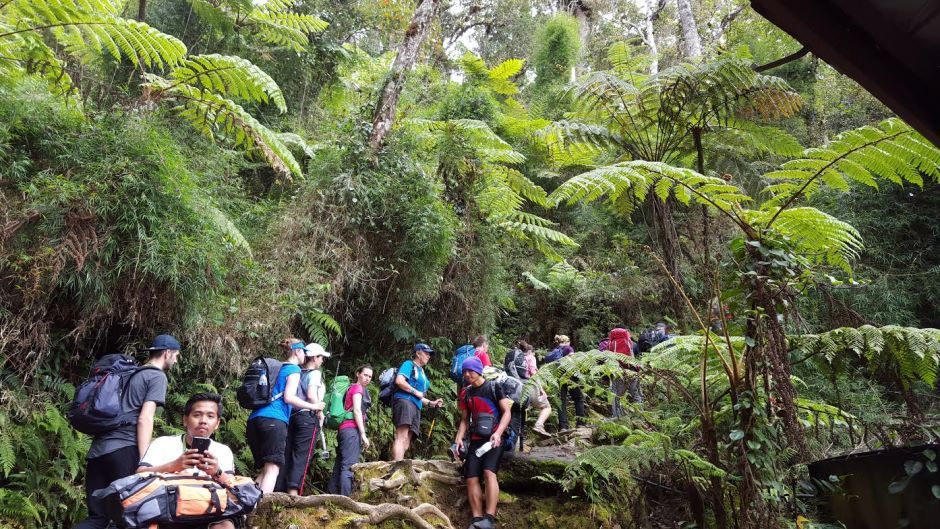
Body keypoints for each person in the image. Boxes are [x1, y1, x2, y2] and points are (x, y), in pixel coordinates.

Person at [76, 334, 180, 529]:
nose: (176, 360)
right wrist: (145, 460)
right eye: (176, 356)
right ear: (167, 353)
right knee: (130, 516)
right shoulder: (157, 376)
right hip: (124, 450)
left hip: (98, 451)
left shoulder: (129, 374)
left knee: (97, 518)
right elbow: (145, 418)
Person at [136, 392, 236, 529]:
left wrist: (217, 472)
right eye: (197, 415)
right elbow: (140, 474)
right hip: (166, 511)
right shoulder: (162, 443)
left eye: (210, 416)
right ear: (185, 420)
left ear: (217, 423)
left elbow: (234, 488)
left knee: (225, 526)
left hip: (208, 512)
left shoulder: (223, 451)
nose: (203, 420)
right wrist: (174, 465)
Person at [245, 338, 325, 493]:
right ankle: (263, 506)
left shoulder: (276, 368)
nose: (305, 356)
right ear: (297, 351)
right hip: (274, 420)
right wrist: (314, 406)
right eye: (303, 352)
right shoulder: (294, 370)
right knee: (273, 469)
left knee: (266, 470)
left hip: (255, 418)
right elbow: (289, 398)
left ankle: (247, 503)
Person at [454, 357, 514, 529]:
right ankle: (476, 519)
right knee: (471, 477)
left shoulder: (494, 387)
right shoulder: (466, 393)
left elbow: (507, 412)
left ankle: (489, 518)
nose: (467, 374)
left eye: (470, 371)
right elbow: (464, 419)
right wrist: (459, 438)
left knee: (488, 472)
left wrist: (498, 433)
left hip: (494, 439)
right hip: (476, 439)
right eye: (464, 372)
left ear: (479, 370)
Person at [277, 343, 330, 495]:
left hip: (292, 416)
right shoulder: (315, 374)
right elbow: (312, 394)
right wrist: (319, 410)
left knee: (288, 453)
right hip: (307, 416)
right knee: (302, 455)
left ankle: (279, 490)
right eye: (321, 357)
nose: (322, 360)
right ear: (314, 358)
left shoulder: (298, 371)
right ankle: (293, 493)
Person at [391, 343, 444, 461]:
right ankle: (397, 467)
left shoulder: (422, 372)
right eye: (426, 353)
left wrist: (431, 403)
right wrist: (415, 392)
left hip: (416, 406)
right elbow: (399, 381)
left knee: (407, 441)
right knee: (401, 436)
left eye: (429, 354)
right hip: (404, 401)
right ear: (418, 353)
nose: (428, 356)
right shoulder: (409, 364)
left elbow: (420, 396)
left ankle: (399, 464)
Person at [328, 365, 373, 496]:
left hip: (343, 430)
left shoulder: (350, 388)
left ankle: (331, 496)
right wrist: (363, 434)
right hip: (351, 430)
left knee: (340, 464)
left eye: (370, 377)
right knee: (349, 467)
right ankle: (346, 500)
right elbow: (357, 410)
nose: (367, 378)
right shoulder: (358, 388)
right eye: (365, 375)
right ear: (357, 374)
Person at [549, 335, 585, 430]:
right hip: (569, 376)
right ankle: (581, 423)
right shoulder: (568, 348)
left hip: (558, 377)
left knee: (561, 402)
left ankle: (563, 426)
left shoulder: (555, 350)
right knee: (578, 397)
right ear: (567, 341)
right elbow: (573, 361)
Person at [608, 326, 643, 418]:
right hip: (632, 371)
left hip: (617, 372)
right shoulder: (630, 343)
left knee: (616, 395)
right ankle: (640, 415)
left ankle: (616, 416)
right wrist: (638, 369)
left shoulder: (610, 344)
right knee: (635, 393)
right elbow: (633, 356)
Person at [521, 342, 552, 437]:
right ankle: (538, 425)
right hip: (530, 386)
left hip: (516, 386)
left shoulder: (517, 358)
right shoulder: (531, 358)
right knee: (546, 407)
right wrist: (542, 390)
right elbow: (533, 374)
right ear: (530, 351)